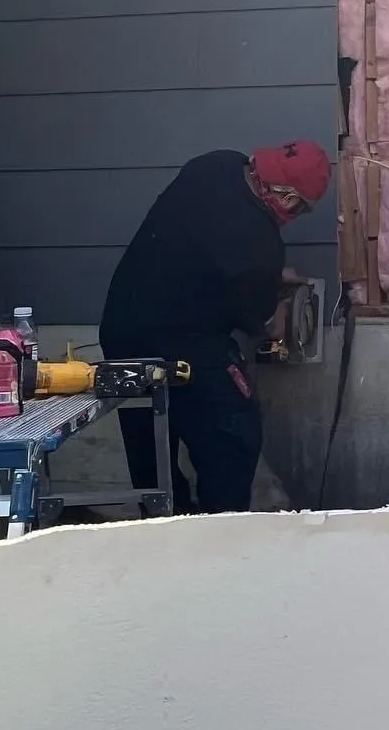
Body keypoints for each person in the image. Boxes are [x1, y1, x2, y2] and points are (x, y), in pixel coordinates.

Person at [99, 141, 331, 514]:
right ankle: (221, 528)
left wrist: (267, 276)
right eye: (301, 207)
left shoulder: (214, 166)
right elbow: (267, 326)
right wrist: (281, 307)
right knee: (233, 435)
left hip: (122, 327)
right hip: (185, 341)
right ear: (288, 199)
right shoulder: (259, 244)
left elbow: (205, 249)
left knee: (150, 445)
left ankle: (161, 526)